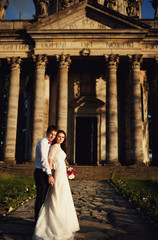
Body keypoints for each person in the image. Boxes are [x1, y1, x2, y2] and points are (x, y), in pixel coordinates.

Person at [33, 130, 80, 240]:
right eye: (59, 136)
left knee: (63, 196)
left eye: (63, 137)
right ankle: (52, 222)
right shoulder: (54, 146)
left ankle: (64, 221)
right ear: (56, 137)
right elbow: (49, 160)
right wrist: (50, 175)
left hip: (62, 174)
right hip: (57, 175)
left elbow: (59, 161)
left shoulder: (59, 147)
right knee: (56, 195)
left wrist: (67, 169)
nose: (60, 138)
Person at [34, 125, 57, 223]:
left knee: (44, 197)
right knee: (41, 197)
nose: (53, 136)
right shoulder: (43, 142)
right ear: (47, 132)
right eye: (51, 134)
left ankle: (41, 220)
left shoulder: (49, 143)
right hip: (41, 173)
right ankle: (37, 221)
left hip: (44, 173)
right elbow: (44, 160)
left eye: (54, 135)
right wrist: (50, 175)